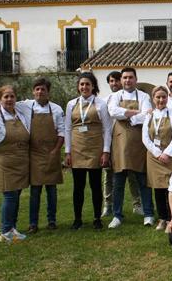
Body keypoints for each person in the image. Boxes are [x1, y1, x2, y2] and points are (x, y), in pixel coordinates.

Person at [0, 85, 30, 242]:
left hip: (20, 161)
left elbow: (32, 102)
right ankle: (5, 231)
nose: (9, 99)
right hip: (4, 162)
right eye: (6, 97)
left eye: (12, 96)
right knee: (10, 196)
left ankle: (12, 228)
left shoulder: (20, 114)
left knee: (16, 195)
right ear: (0, 99)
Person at [107, 67, 154, 228]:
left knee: (143, 180)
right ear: (121, 80)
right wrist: (136, 112)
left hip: (139, 142)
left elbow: (148, 115)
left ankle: (148, 214)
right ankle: (117, 215)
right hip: (119, 143)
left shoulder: (144, 96)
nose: (127, 80)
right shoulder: (114, 96)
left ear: (135, 79)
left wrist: (129, 116)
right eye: (125, 78)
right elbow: (113, 111)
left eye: (130, 77)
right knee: (118, 181)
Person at [64, 72, 112, 230]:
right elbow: (67, 128)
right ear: (78, 87)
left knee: (95, 185)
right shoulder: (71, 104)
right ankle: (77, 219)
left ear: (93, 86)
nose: (84, 87)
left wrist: (105, 152)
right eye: (82, 84)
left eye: (87, 84)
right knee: (78, 187)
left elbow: (106, 128)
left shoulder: (101, 104)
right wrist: (68, 152)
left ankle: (97, 218)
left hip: (95, 149)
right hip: (77, 149)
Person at [18, 78, 65, 234]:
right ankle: (33, 223)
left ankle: (52, 220)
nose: (40, 92)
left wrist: (56, 150)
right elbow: (7, 102)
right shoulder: (25, 106)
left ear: (48, 92)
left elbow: (62, 132)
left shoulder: (57, 109)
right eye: (37, 89)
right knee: (35, 191)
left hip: (52, 153)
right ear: (33, 91)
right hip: (34, 155)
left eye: (43, 89)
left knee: (51, 190)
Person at [102, 71, 142, 218]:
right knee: (108, 174)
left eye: (116, 81)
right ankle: (108, 205)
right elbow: (112, 114)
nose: (114, 84)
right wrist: (136, 112)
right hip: (111, 140)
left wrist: (126, 113)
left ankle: (137, 204)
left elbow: (143, 115)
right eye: (111, 81)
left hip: (130, 139)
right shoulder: (106, 100)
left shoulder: (132, 96)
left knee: (132, 172)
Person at [142, 86, 172, 231]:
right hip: (154, 157)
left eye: (163, 97)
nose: (161, 100)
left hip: (171, 156)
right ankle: (162, 218)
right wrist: (158, 153)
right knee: (158, 189)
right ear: (153, 99)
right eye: (158, 97)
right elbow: (145, 137)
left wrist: (167, 153)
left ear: (167, 98)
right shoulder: (149, 115)